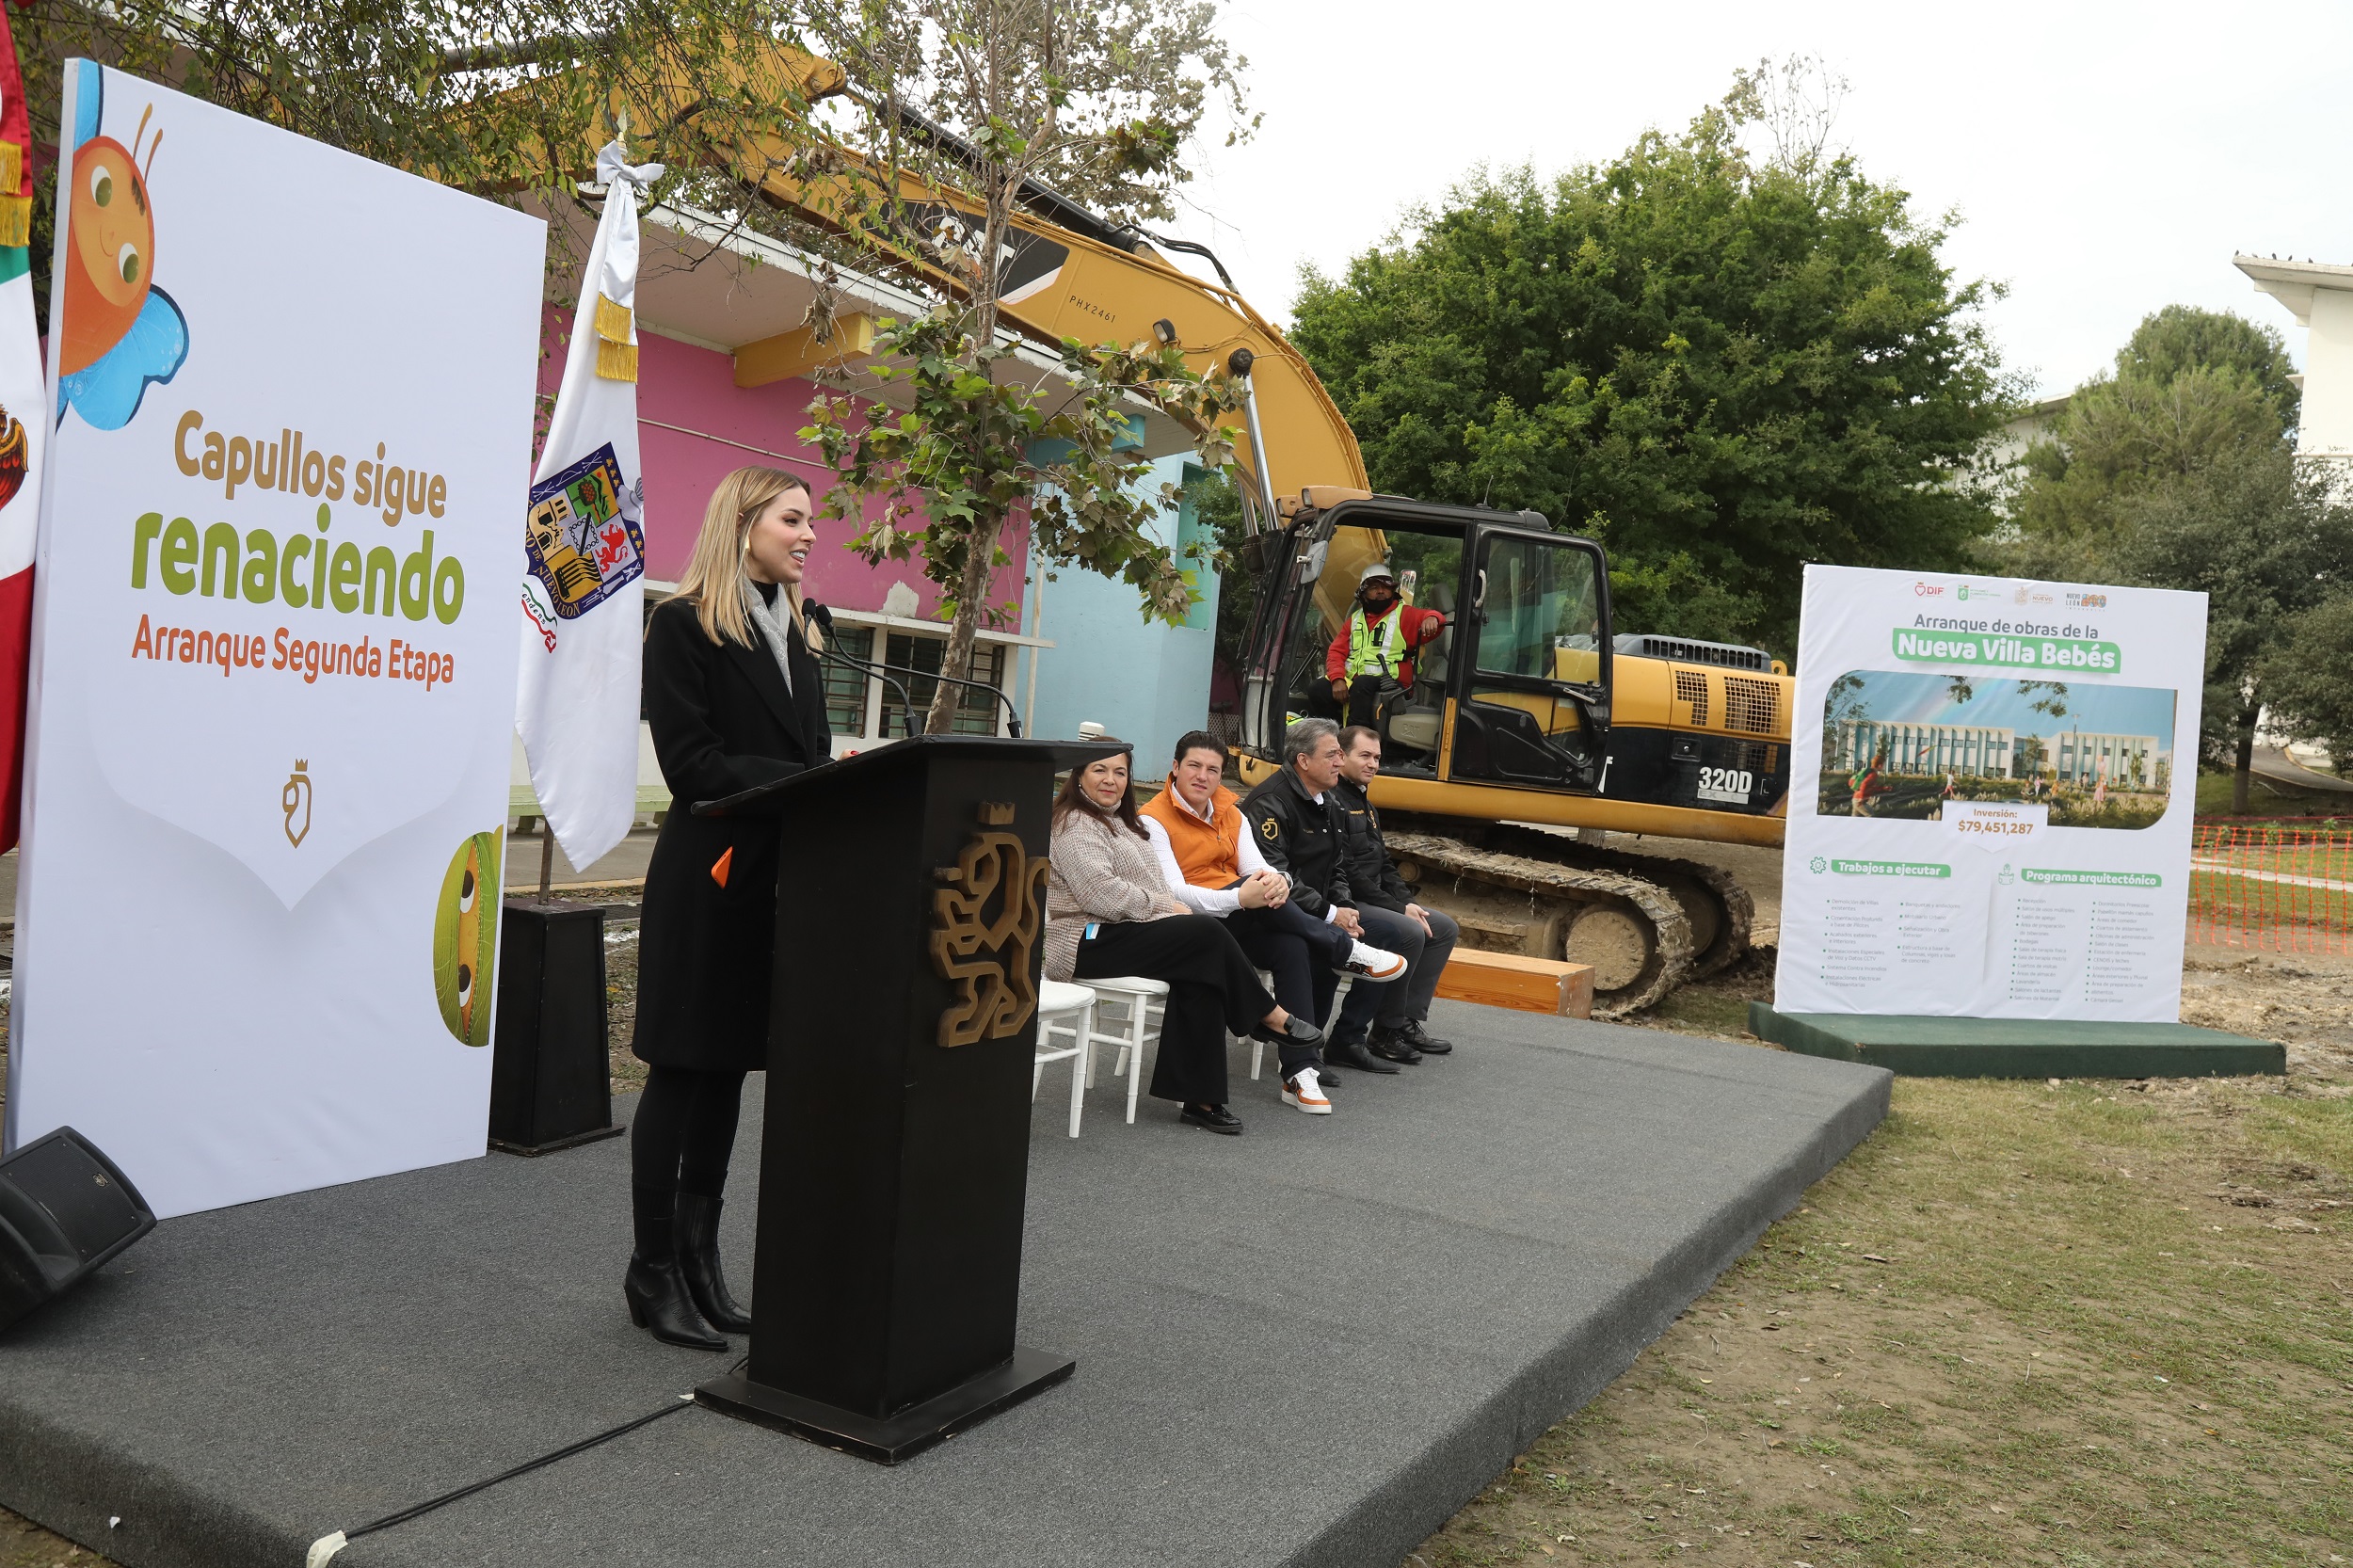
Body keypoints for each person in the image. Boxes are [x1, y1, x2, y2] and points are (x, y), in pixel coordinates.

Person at [626, 466, 831, 1351]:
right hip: (707, 881)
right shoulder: (680, 625)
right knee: (681, 1073)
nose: (809, 534)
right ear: (743, 523)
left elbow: (813, 756)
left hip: (774, 890)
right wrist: (816, 783)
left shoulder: (808, 637)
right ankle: (652, 1271)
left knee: (727, 1077)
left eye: (810, 521)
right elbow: (696, 768)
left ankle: (701, 1260)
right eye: (793, 518)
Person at [1045, 744, 1328, 1125]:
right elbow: (1101, 894)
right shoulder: (1073, 823)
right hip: (1084, 938)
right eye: (1099, 770)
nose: (1110, 780)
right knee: (1205, 935)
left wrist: (1164, 906)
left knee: (1203, 965)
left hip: (1129, 930)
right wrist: (1165, 907)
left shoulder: (1125, 823)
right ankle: (1266, 1014)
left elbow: (1159, 884)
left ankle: (1201, 1099)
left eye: (1120, 773)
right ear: (1079, 775)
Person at [1137, 730, 1403, 1092]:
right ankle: (1343, 949)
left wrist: (1275, 882)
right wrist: (1241, 897)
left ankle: (1300, 1069)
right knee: (1255, 894)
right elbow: (1174, 891)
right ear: (1175, 767)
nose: (1203, 777)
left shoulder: (1231, 811)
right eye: (1194, 766)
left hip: (1243, 915)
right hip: (1191, 924)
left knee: (1290, 945)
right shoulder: (1152, 819)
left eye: (1213, 770)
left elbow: (1259, 867)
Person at [1241, 717, 1410, 1077]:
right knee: (1311, 944)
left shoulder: (1328, 801)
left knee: (1386, 935)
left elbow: (1336, 866)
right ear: (1304, 761)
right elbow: (1276, 874)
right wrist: (1329, 912)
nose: (1339, 761)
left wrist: (1345, 907)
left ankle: (1347, 1039)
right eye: (1332, 754)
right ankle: (1307, 1052)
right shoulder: (1270, 803)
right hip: (1270, 913)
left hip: (1318, 909)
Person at [1332, 726, 1461, 1059]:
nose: (1373, 764)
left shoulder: (1366, 803)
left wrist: (1408, 901)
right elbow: (1347, 871)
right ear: (1341, 756)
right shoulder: (1334, 802)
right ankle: (1385, 1032)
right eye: (1365, 756)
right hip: (1347, 898)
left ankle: (1406, 1020)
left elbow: (1384, 865)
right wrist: (1398, 909)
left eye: (1377, 757)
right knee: (1410, 931)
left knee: (1444, 928)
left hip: (1375, 897)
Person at [1321, 562, 1446, 730]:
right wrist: (1337, 679)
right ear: (1363, 593)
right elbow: (1336, 651)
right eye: (1374, 587)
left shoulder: (1404, 614)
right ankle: (1329, 735)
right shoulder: (1355, 619)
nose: (1381, 591)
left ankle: (1354, 739)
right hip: (1357, 682)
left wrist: (1433, 618)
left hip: (1394, 683)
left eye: (1386, 587)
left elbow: (1430, 616)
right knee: (1317, 689)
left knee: (1362, 684)